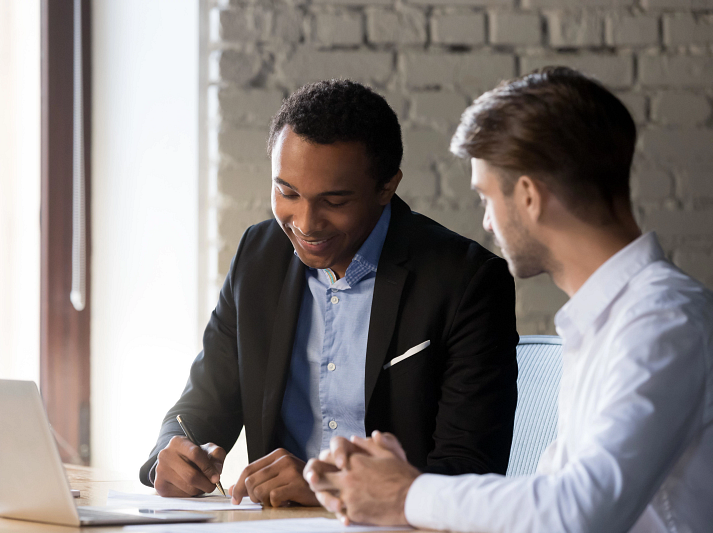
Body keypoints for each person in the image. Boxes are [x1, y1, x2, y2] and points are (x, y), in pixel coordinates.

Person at [304, 67, 713, 532]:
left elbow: (577, 511)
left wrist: (406, 493)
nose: (487, 224)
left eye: (485, 198)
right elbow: (545, 499)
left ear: (528, 197)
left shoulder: (663, 320)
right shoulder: (610, 319)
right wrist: (403, 484)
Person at [139, 79, 519, 507]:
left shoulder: (466, 282)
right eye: (287, 193)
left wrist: (330, 489)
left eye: (334, 201)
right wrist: (171, 454)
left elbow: (469, 471)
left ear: (386, 187)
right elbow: (202, 404)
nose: (305, 222)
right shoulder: (258, 257)